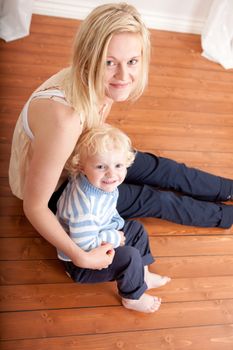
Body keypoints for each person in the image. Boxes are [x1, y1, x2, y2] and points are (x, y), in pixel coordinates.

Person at [9, 3, 233, 271]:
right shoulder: (64, 120)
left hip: (85, 155)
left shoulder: (99, 82)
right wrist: (79, 255)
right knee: (155, 199)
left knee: (161, 168)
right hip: (60, 187)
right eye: (110, 62)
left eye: (132, 61)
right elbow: (34, 207)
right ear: (89, 57)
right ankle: (227, 216)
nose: (123, 76)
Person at [56, 124, 170, 313]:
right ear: (81, 167)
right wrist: (114, 237)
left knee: (136, 229)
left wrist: (115, 228)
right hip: (82, 262)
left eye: (118, 165)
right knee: (129, 256)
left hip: (97, 233)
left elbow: (108, 211)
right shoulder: (84, 208)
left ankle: (144, 275)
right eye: (101, 166)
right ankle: (132, 296)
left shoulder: (96, 182)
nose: (111, 174)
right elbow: (84, 244)